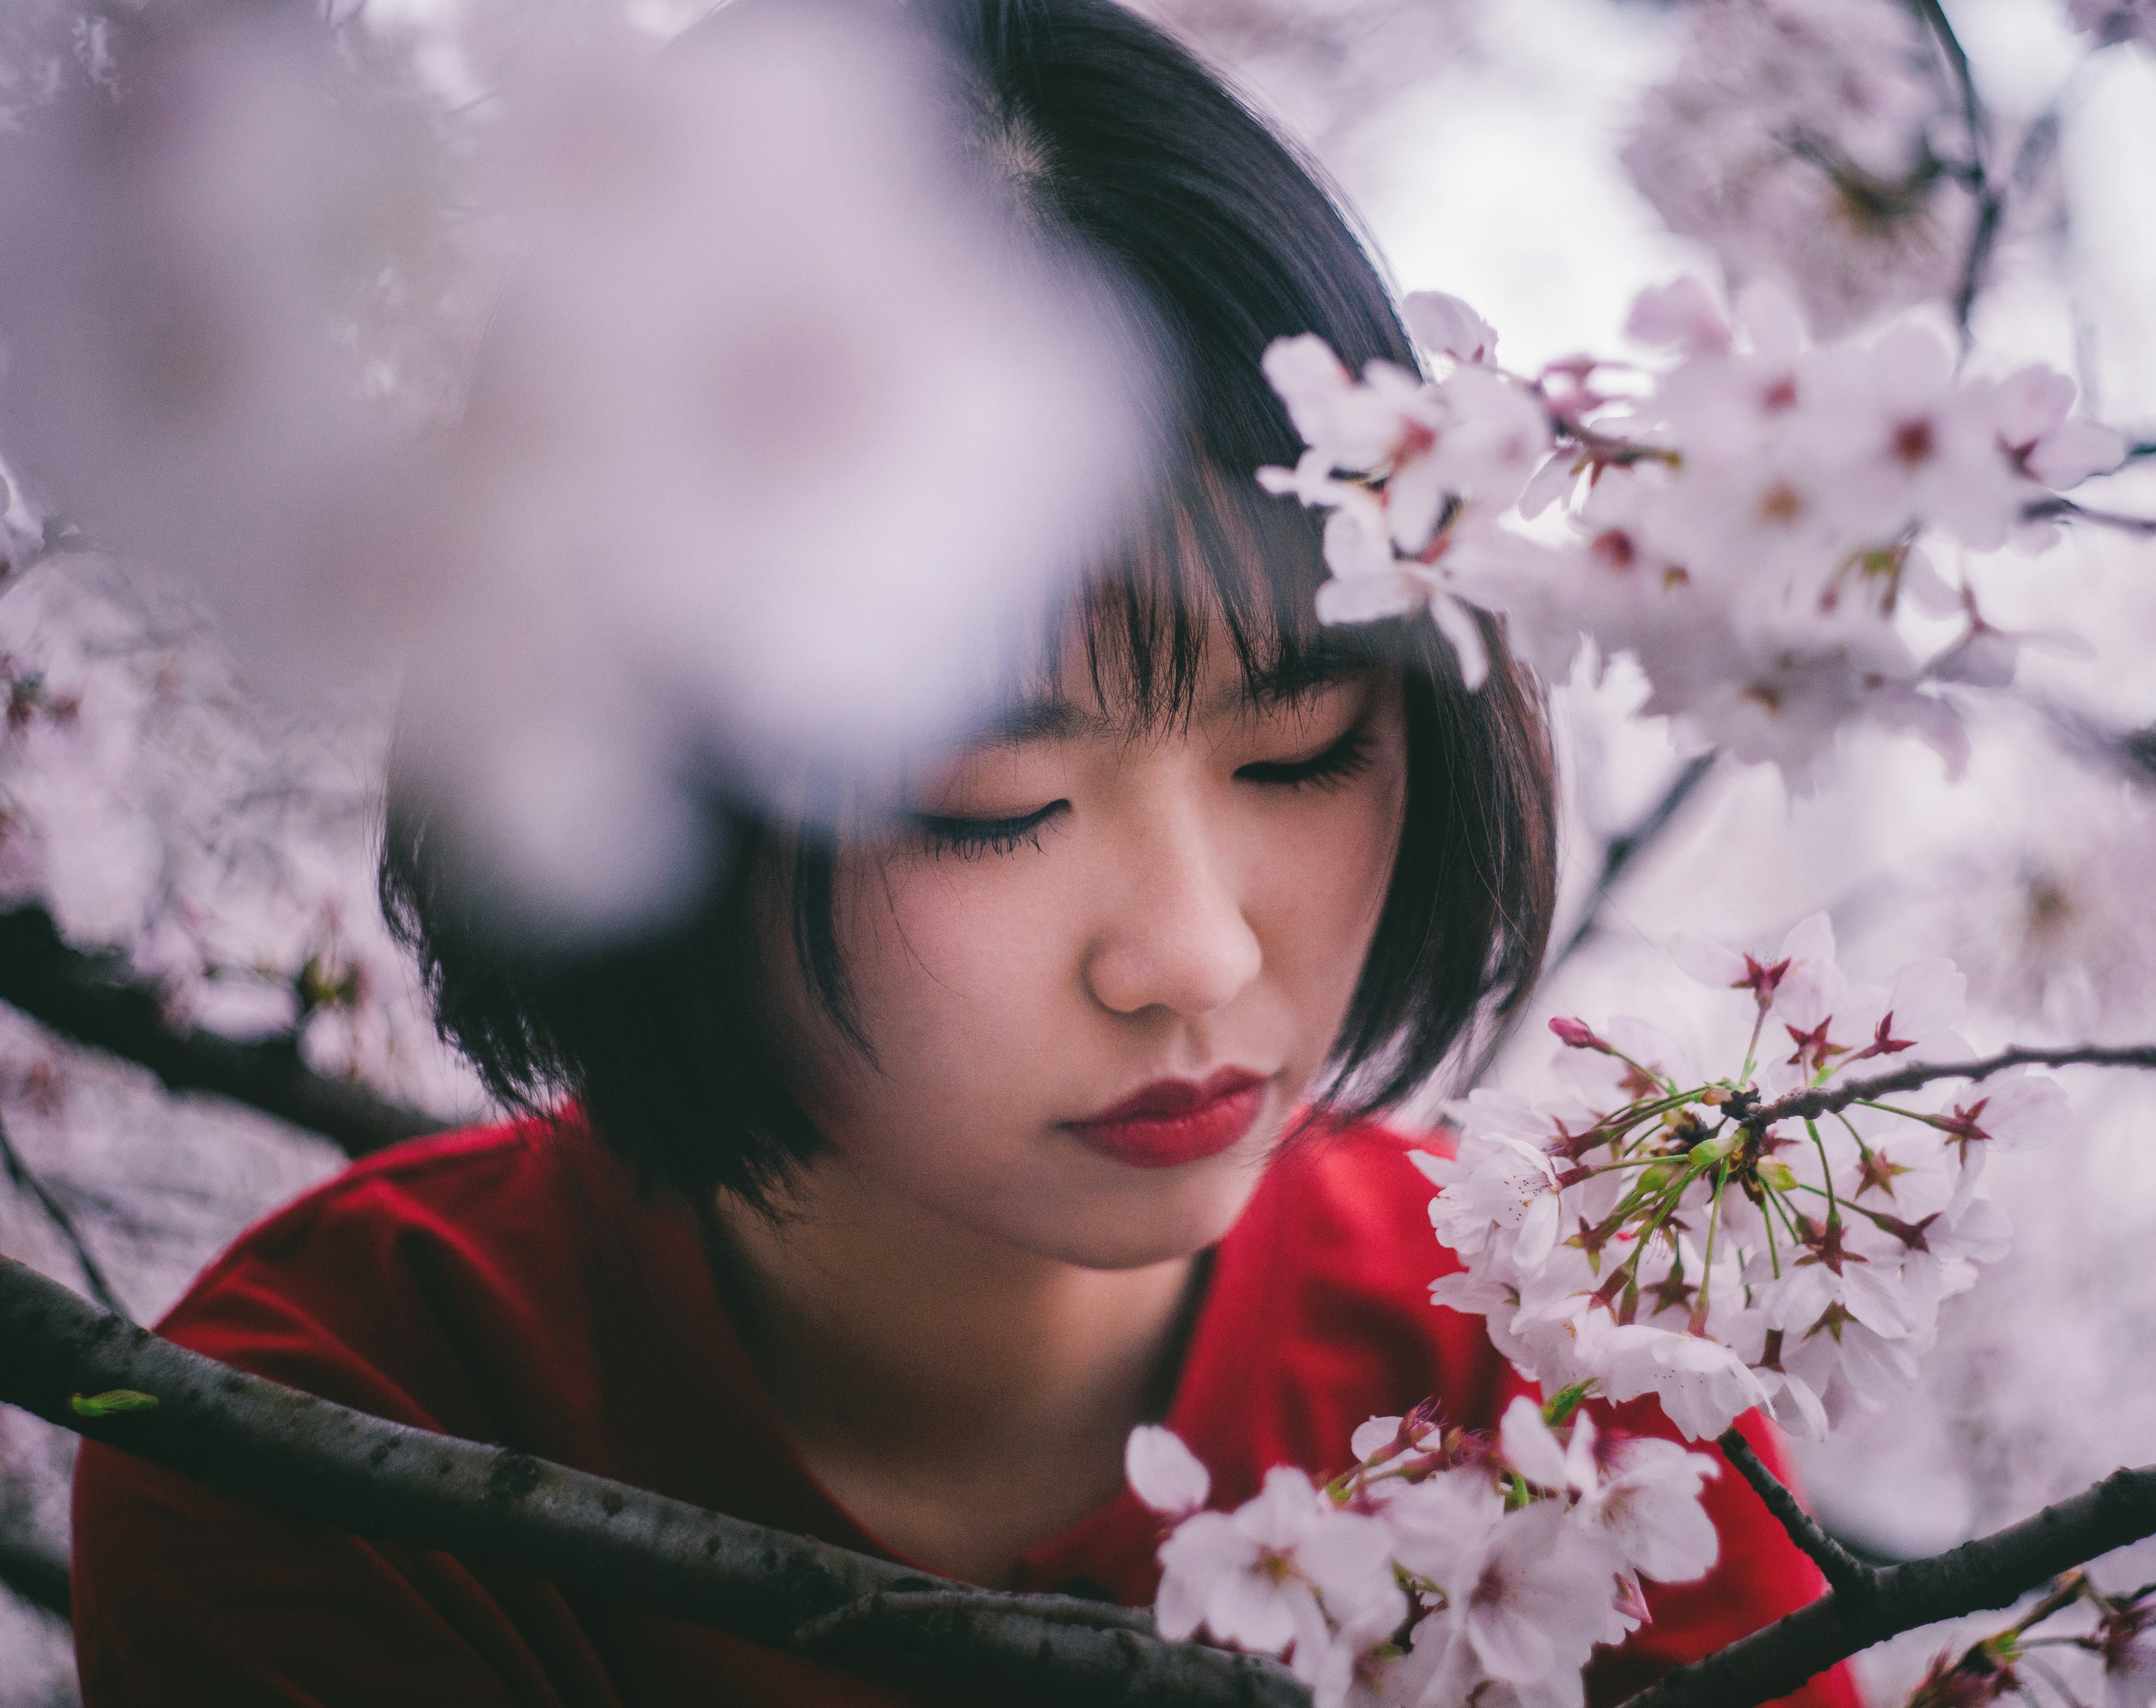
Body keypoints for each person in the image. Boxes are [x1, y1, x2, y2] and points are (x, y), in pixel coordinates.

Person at [70, 2, 1861, 1702]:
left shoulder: (1578, 1387)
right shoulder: (326, 1441)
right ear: (664, 770)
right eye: (988, 801)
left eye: (1302, 751)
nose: (1194, 954)